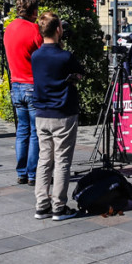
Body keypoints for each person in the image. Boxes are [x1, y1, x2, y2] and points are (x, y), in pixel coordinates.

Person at [31, 12, 85, 220]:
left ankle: (41, 205)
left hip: (42, 114)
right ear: (58, 30)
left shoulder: (36, 56)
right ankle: (59, 207)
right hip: (63, 113)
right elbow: (79, 73)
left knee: (44, 160)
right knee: (62, 161)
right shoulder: (65, 56)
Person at [4, 0, 42, 186]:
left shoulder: (9, 28)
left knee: (22, 131)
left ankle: (21, 172)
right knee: (35, 132)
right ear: (33, 11)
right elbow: (43, 54)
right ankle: (33, 173)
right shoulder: (34, 29)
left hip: (16, 84)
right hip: (31, 84)